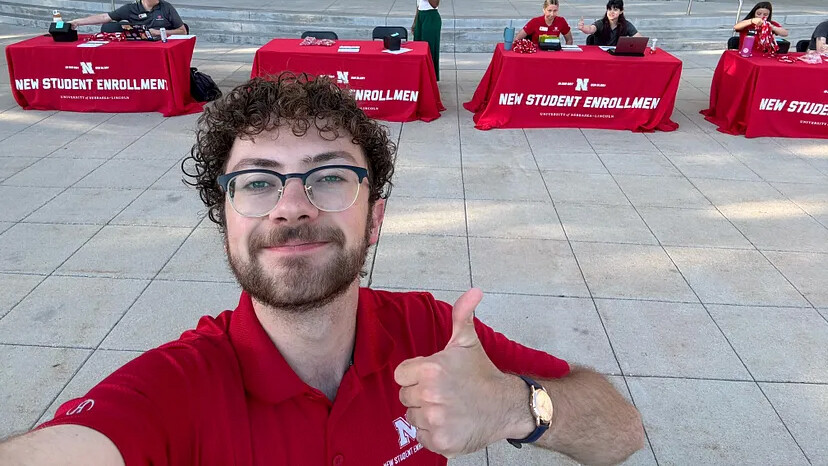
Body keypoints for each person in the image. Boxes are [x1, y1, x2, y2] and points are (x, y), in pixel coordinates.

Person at [0, 72, 644, 465]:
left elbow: (622, 433)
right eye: (257, 182)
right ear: (226, 217)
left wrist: (512, 406)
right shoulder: (174, 389)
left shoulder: (432, 330)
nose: (291, 208)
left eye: (330, 176)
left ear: (378, 216)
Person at [68, 0, 187, 37]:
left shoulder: (166, 7)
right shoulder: (131, 8)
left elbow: (183, 31)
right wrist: (77, 22)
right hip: (140, 48)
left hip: (162, 46)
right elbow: (105, 17)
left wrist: (159, 32)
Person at [577, 0, 641, 47]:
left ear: (621, 11)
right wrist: (583, 28)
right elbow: (591, 29)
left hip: (617, 56)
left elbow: (640, 39)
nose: (611, 12)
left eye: (615, 10)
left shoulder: (626, 25)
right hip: (600, 55)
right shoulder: (601, 23)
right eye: (609, 9)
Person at [413, 0, 441, 81]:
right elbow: (419, 6)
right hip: (420, 17)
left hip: (431, 16)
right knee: (417, 47)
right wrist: (415, 22)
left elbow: (434, 4)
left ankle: (430, 77)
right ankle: (419, 75)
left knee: (429, 47)